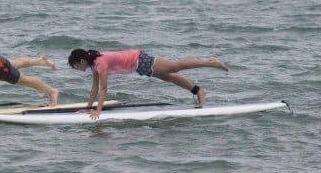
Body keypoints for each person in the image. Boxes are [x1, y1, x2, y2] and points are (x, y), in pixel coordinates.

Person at [68, 48, 229, 119]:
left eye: (75, 66)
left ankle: (211, 62)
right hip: (137, 66)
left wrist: (98, 111)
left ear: (81, 61)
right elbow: (94, 88)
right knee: (169, 76)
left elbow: (103, 89)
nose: (76, 69)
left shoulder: (100, 63)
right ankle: (198, 91)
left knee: (175, 66)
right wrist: (89, 108)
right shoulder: (94, 66)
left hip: (139, 60)